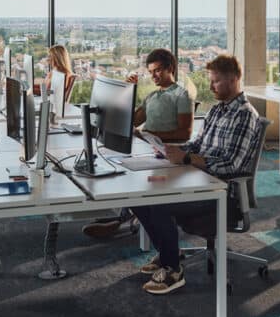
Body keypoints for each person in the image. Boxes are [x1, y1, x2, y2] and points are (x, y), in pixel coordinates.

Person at [131, 54, 264, 295]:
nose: (211, 87)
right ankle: (168, 254)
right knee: (139, 196)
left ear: (234, 79)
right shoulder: (217, 110)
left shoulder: (244, 115)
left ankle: (173, 270)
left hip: (223, 192)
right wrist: (173, 151)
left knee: (159, 202)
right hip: (199, 180)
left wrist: (188, 159)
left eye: (216, 82)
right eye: (211, 81)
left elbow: (232, 165)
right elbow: (199, 144)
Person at [82, 48, 193, 240]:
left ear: (170, 68)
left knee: (138, 180)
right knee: (122, 169)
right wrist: (127, 91)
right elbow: (130, 122)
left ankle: (120, 222)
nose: (154, 76)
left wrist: (148, 135)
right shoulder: (151, 97)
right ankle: (122, 218)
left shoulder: (181, 95)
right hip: (150, 152)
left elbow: (185, 133)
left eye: (158, 70)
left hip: (169, 157)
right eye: (150, 72)